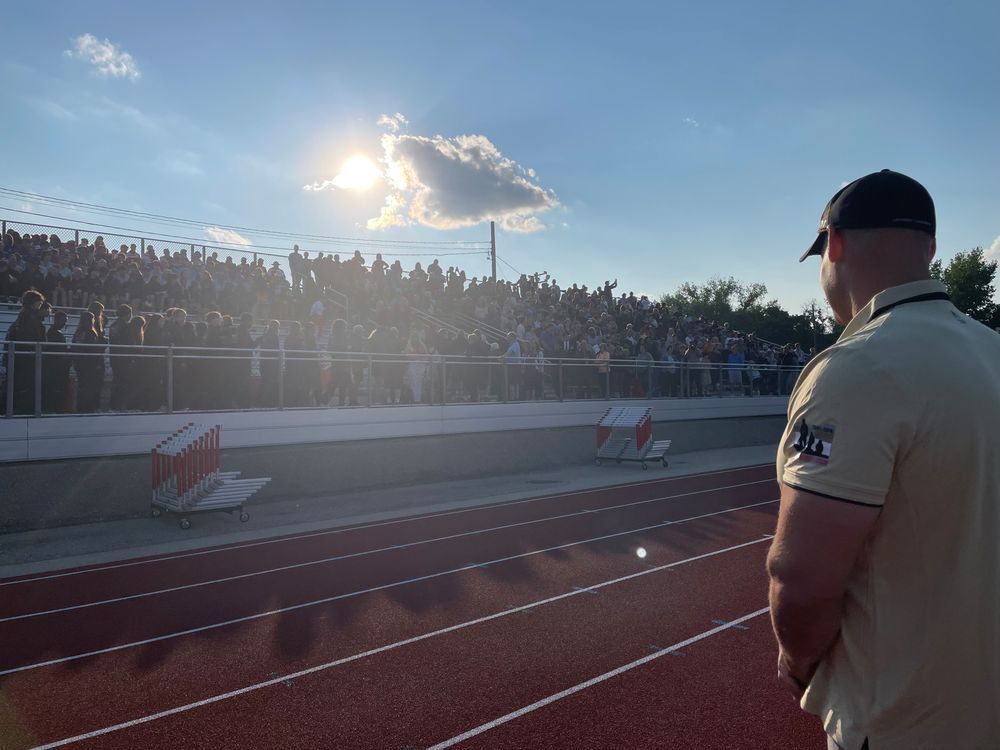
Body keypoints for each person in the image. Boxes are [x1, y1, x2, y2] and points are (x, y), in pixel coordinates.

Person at [766, 169, 1000, 750]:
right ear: (932, 249)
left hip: (902, 719)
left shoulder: (856, 368)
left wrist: (798, 662)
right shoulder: (992, 351)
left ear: (833, 244)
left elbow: (801, 579)